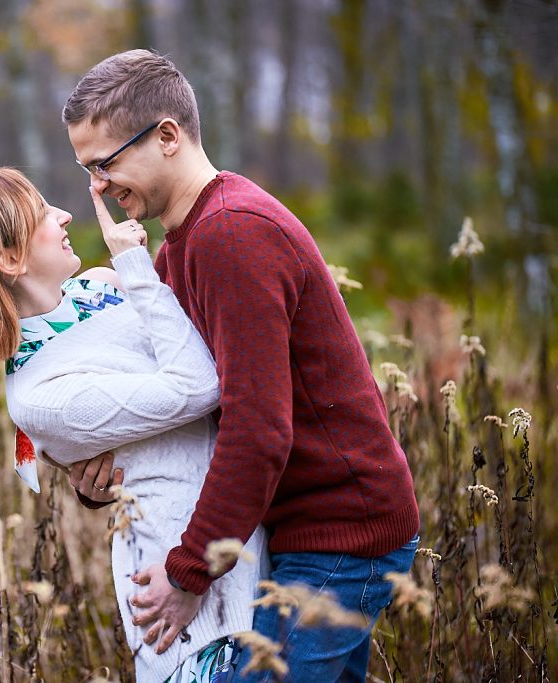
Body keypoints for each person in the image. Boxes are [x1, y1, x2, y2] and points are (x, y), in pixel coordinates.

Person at [61, 49, 420, 681]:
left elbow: (260, 431)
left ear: (167, 136)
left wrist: (188, 571)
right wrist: (101, 476)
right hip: (289, 534)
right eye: (87, 169)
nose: (97, 186)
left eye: (104, 163)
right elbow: (182, 409)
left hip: (338, 532)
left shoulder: (233, 234)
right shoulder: (182, 248)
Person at [0, 167, 267, 682]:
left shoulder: (102, 287)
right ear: (10, 259)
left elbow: (210, 353)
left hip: (248, 546)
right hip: (187, 604)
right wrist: (133, 262)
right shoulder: (40, 394)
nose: (64, 215)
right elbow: (198, 386)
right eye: (43, 214)